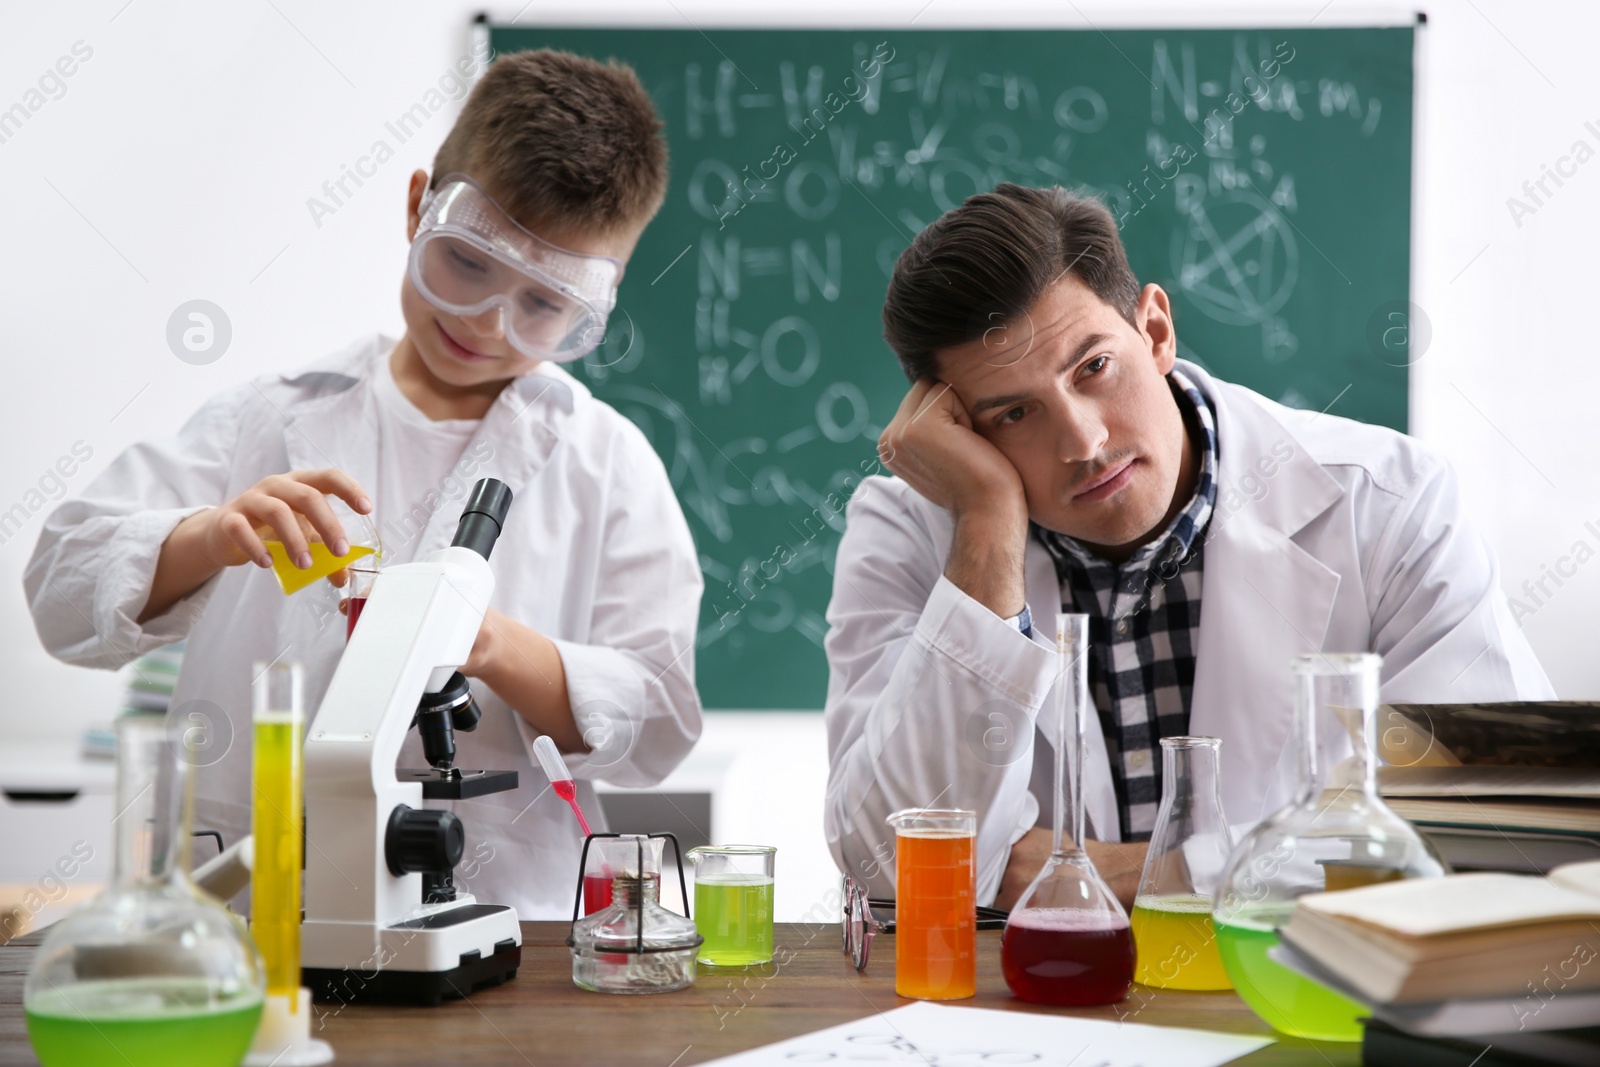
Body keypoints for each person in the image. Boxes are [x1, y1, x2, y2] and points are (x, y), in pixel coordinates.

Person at [25, 50, 703, 919]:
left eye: (542, 303)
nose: (487, 322)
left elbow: (661, 722)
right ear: (419, 204)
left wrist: (488, 643)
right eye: (467, 263)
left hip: (508, 920)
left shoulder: (606, 463)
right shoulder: (265, 423)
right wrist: (209, 535)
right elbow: (58, 588)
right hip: (252, 910)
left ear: (589, 305)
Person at [823, 183, 1552, 910]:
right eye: (1014, 413)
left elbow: (1497, 827)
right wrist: (986, 522)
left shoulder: (1389, 501)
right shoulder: (910, 530)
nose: (1083, 440)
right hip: (1021, 1004)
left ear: (1156, 330)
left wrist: (1132, 872)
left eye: (1093, 367)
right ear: (964, 431)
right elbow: (889, 866)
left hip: (1295, 995)